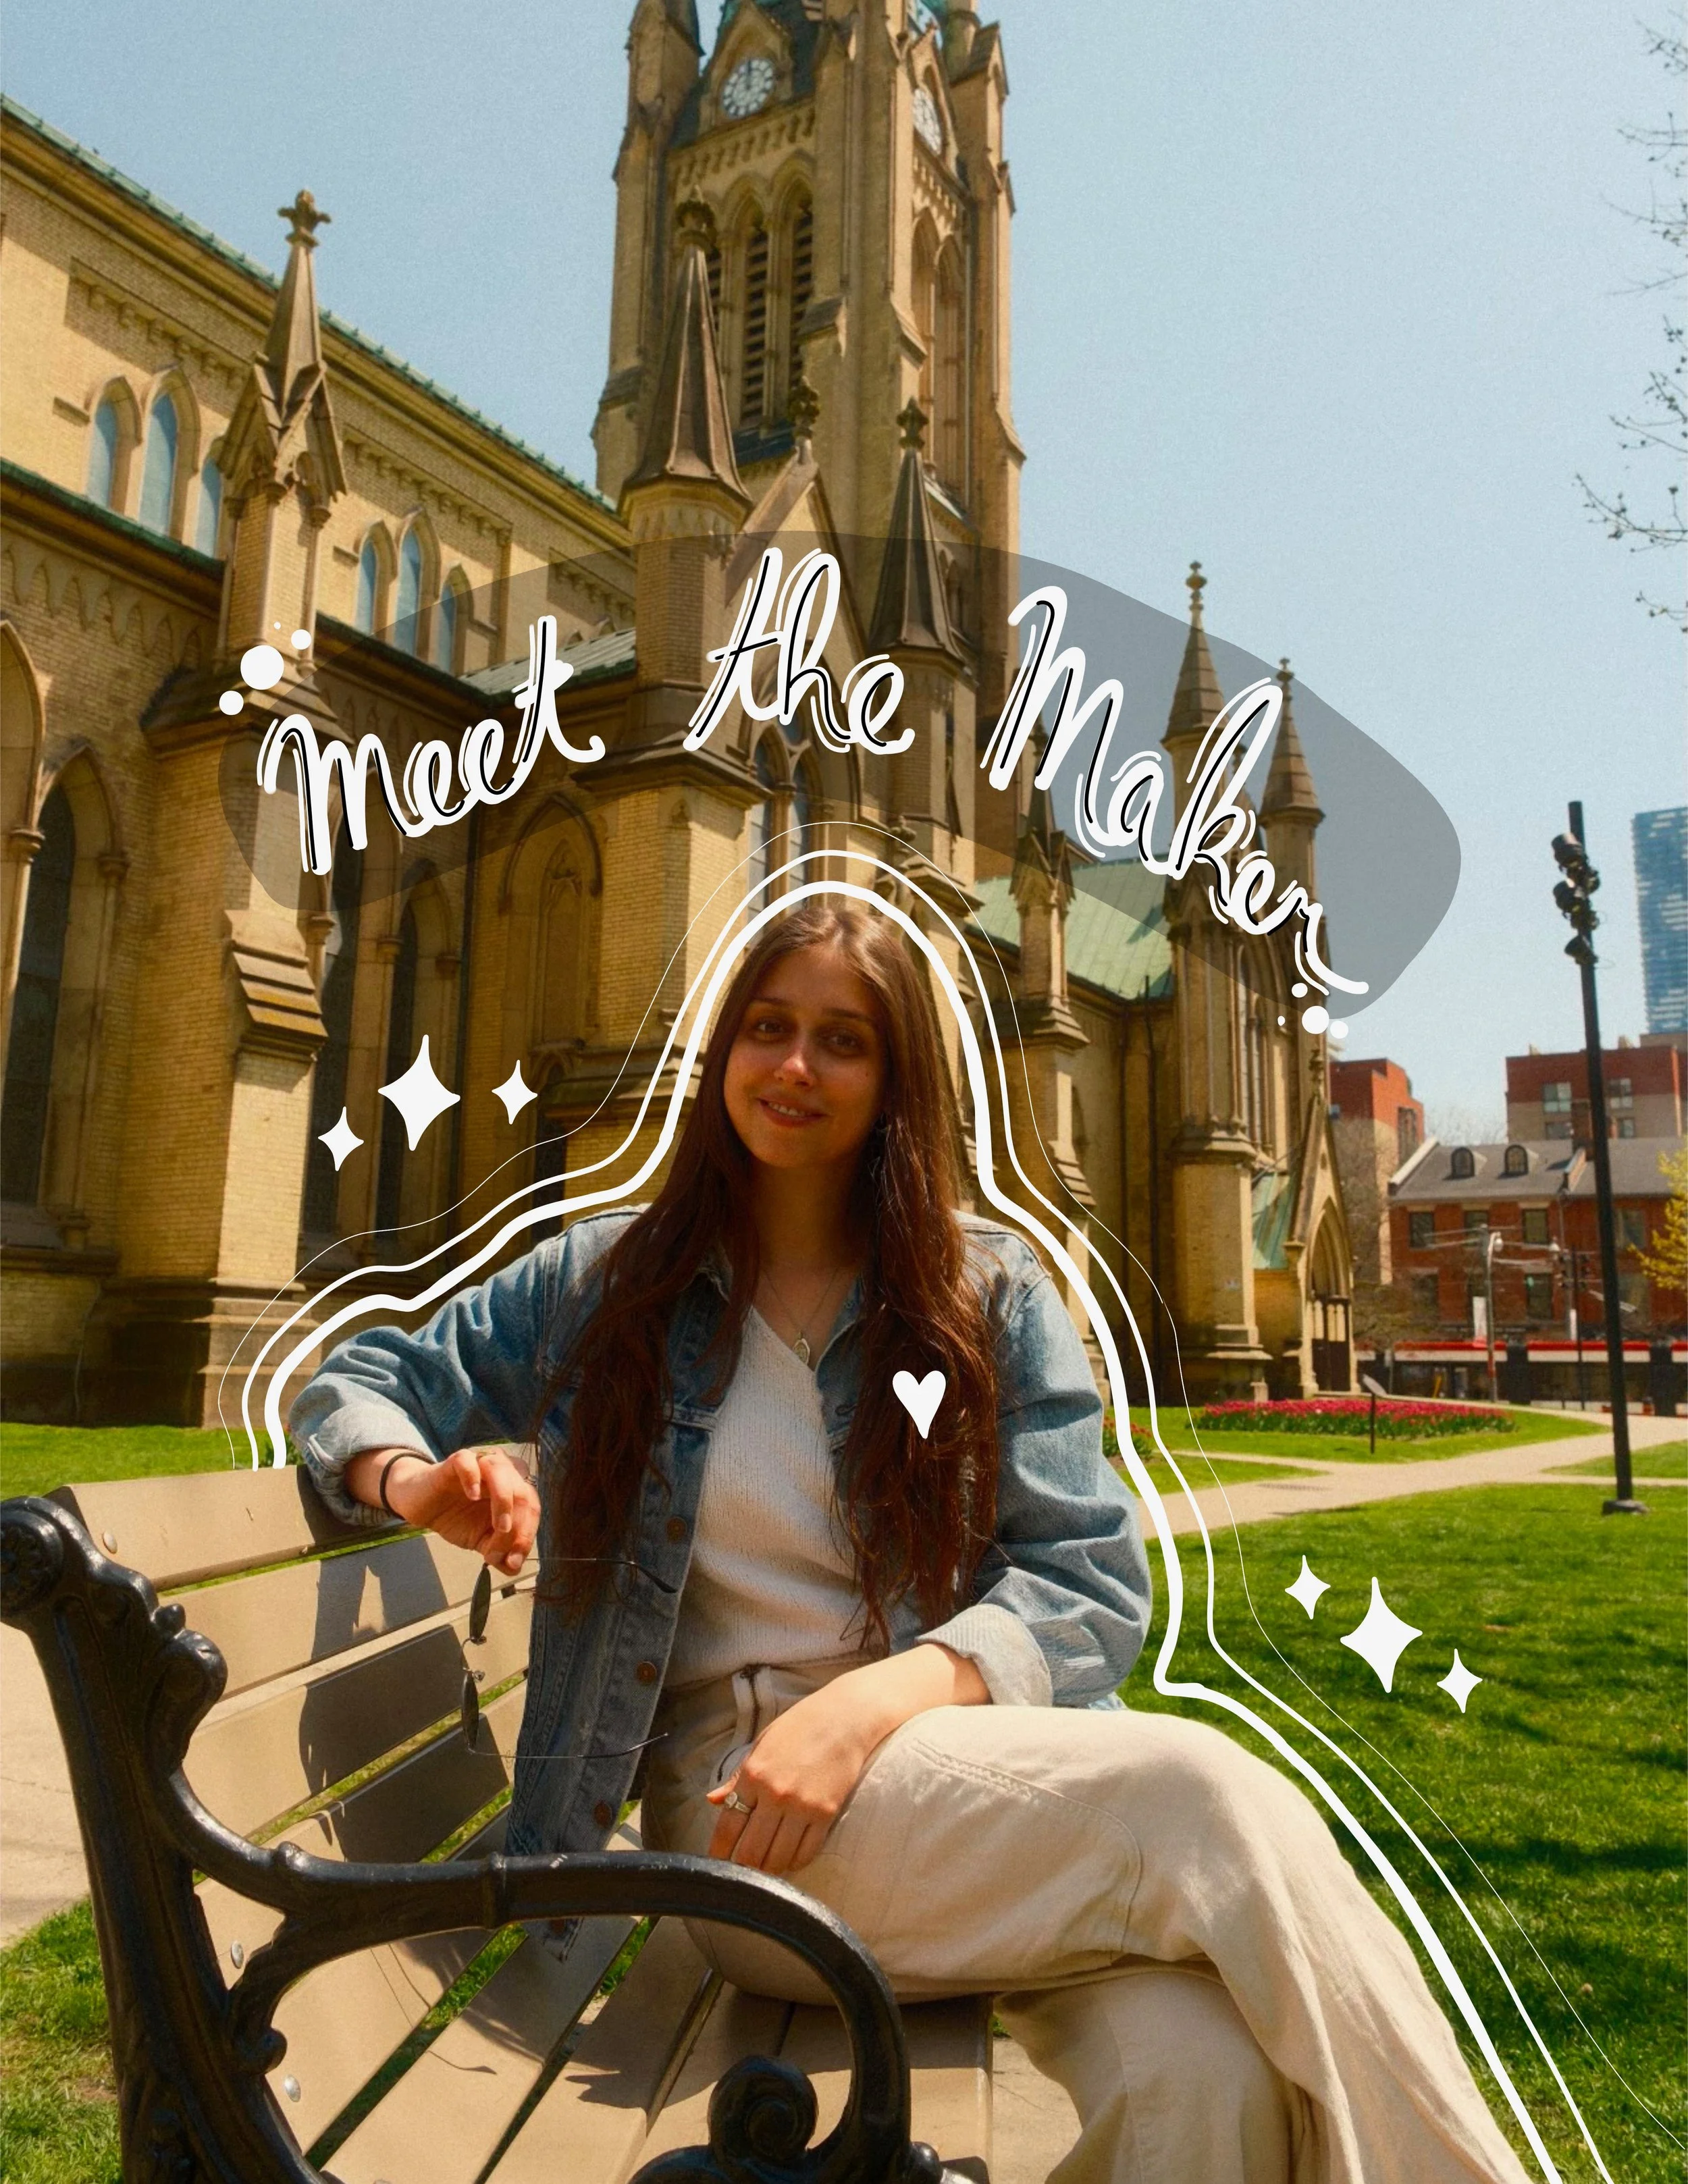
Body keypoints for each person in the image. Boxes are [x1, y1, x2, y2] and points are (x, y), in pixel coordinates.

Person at [292, 897, 1530, 2184]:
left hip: (952, 1783)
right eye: (768, 1029)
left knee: (1198, 2075)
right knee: (1204, 1796)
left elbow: (1089, 1580)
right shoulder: (612, 1280)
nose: (794, 1067)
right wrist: (408, 1477)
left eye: (843, 1040)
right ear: (722, 1055)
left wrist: (869, 1706)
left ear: (895, 1084)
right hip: (748, 1830)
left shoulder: (983, 1296)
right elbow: (359, 1377)